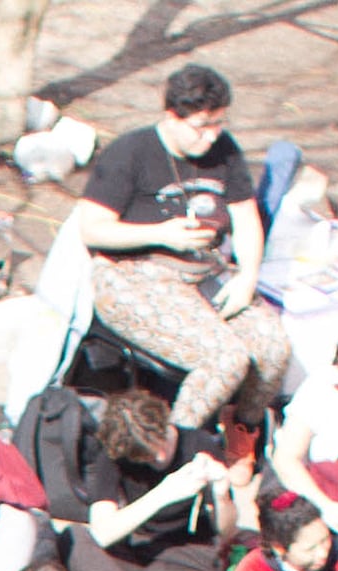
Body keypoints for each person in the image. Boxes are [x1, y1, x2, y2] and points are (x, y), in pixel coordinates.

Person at [69, 66, 294, 429]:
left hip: (205, 270)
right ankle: (177, 445)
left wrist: (248, 277)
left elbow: (246, 218)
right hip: (136, 274)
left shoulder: (225, 151)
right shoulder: (130, 152)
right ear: (172, 116)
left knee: (273, 347)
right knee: (224, 359)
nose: (211, 136)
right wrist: (161, 234)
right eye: (201, 127)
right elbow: (93, 229)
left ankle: (242, 430)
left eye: (218, 123)